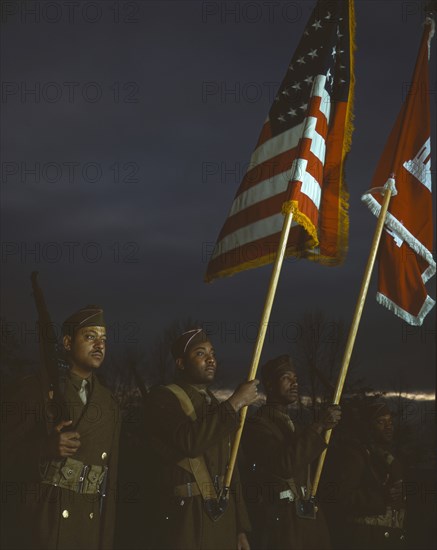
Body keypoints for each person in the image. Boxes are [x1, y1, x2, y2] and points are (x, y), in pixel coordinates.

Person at [2, 305, 120, 550]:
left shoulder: (110, 404)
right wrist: (44, 449)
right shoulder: (35, 389)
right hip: (41, 523)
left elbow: (111, 481)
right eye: (90, 337)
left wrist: (105, 541)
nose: (99, 345)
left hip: (87, 528)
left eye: (103, 339)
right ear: (67, 343)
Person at [144, 328, 259, 550]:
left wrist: (240, 528)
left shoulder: (217, 407)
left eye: (212, 353)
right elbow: (190, 442)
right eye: (200, 353)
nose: (211, 359)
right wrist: (235, 402)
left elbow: (231, 470)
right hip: (187, 518)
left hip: (223, 520)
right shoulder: (162, 398)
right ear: (180, 363)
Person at [242, 354, 341, 550]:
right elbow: (284, 465)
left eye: (296, 378)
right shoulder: (257, 426)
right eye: (287, 377)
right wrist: (319, 425)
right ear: (270, 385)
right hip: (280, 523)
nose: (294, 383)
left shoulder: (297, 426)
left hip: (308, 522)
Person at [324, 401, 407, 550]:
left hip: (389, 540)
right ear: (369, 427)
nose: (388, 426)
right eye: (381, 422)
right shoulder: (354, 455)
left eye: (390, 421)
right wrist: (381, 497)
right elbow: (341, 497)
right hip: (364, 539)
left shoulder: (390, 459)